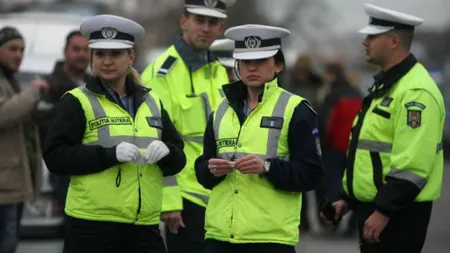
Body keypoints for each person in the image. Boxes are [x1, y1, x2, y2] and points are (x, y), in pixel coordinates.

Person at [43, 15, 186, 253]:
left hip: (143, 226)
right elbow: (56, 157)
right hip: (92, 227)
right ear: (92, 58)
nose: (106, 61)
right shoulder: (76, 101)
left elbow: (178, 158)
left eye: (115, 54)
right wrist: (109, 155)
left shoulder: (152, 102)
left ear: (131, 56)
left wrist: (168, 153)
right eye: (100, 54)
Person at [323, 3, 445, 253]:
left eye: (371, 36)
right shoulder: (388, 85)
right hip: (378, 209)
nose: (364, 42)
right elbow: (371, 152)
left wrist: (384, 211)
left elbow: (413, 165)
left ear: (393, 41)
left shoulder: (415, 92)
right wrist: (347, 200)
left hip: (398, 214)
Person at [195, 24, 324, 253]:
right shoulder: (220, 111)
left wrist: (267, 167)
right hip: (220, 238)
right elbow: (203, 170)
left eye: (261, 60)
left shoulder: (296, 109)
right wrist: (210, 169)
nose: (252, 67)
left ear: (278, 65)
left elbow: (311, 175)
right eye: (245, 62)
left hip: (270, 240)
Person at [140, 1, 233, 252]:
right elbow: (155, 143)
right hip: (186, 198)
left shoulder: (217, 69)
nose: (205, 28)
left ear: (220, 27)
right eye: (199, 20)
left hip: (221, 192)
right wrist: (169, 202)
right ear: (184, 22)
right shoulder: (161, 74)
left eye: (212, 22)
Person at [0, 26, 48, 253]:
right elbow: (3, 116)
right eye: (12, 49)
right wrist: (32, 92)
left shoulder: (11, 80)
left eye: (22, 50)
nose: (18, 55)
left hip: (14, 185)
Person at [36, 30, 90, 214]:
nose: (81, 54)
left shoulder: (96, 86)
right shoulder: (48, 87)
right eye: (76, 49)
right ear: (65, 51)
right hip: (59, 176)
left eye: (86, 49)